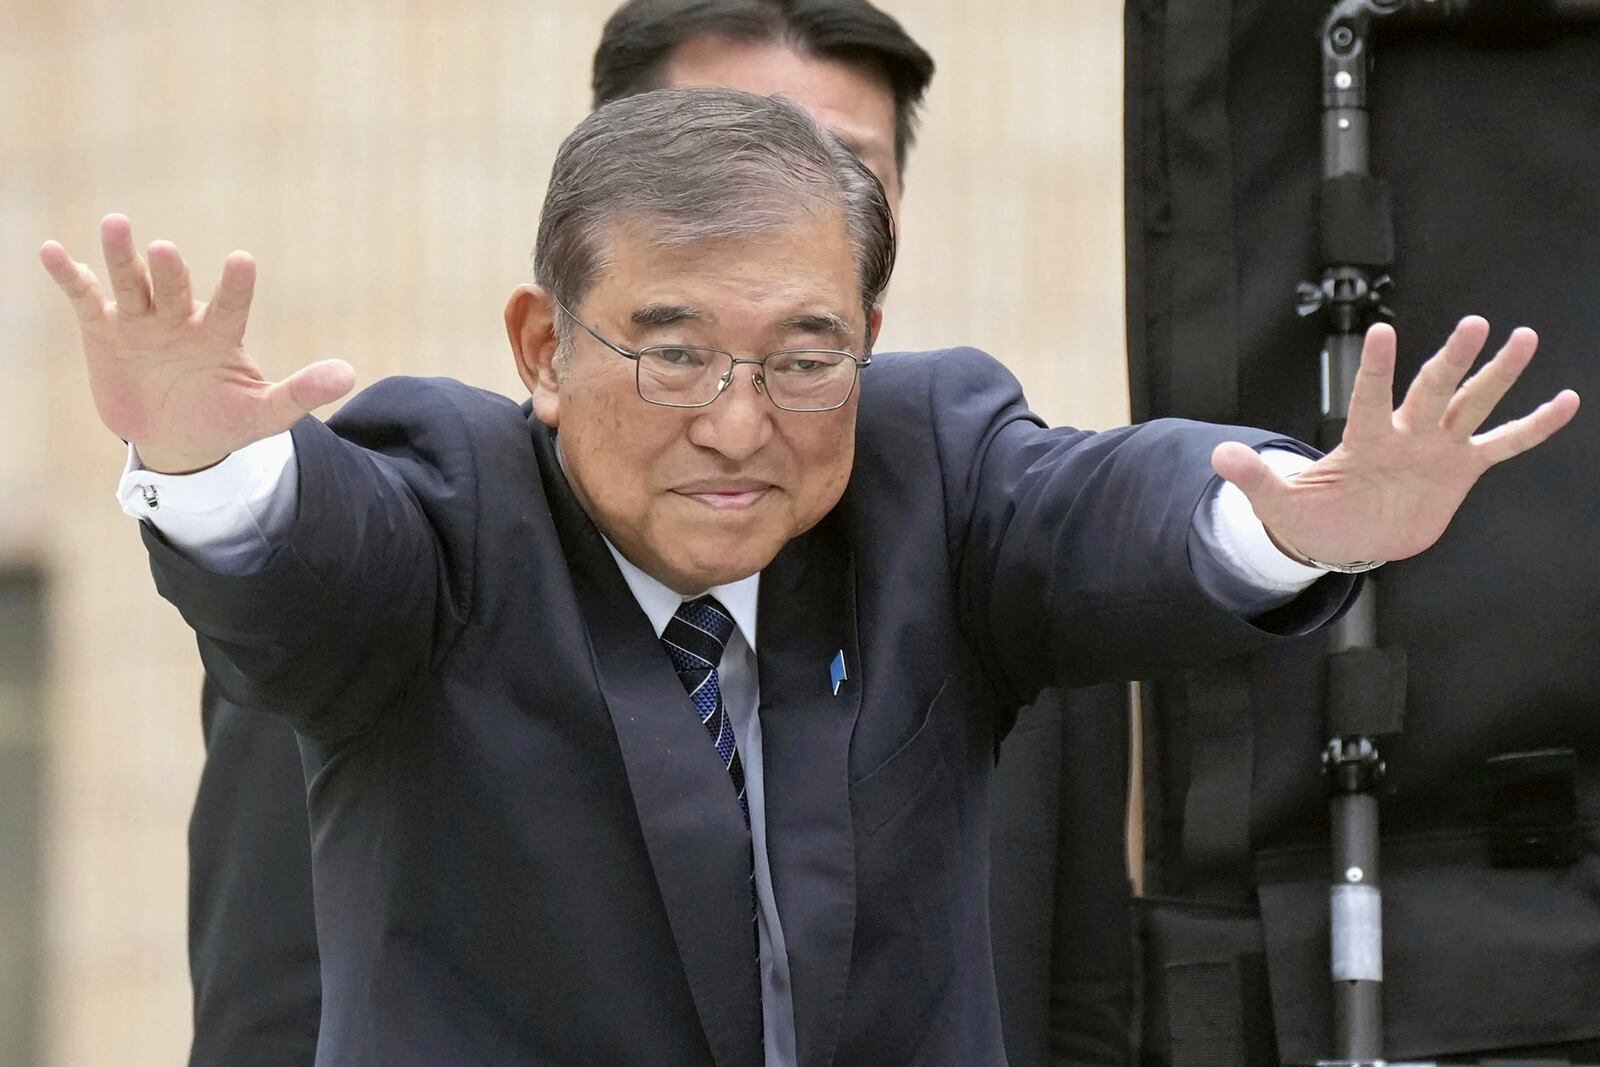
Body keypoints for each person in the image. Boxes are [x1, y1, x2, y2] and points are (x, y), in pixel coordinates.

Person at [41, 88, 1574, 1065]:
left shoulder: (926, 464)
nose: (735, 421)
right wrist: (208, 465)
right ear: (541, 347)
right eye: (672, 348)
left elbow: (1100, 508)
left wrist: (1296, 518)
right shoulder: (446, 500)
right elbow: (306, 564)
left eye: (802, 354)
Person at [183, 3, 1135, 1063]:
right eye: (722, 142)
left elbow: (1081, 1001)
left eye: (839, 163)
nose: (764, 186)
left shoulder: (992, 553)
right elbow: (269, 1001)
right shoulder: (402, 565)